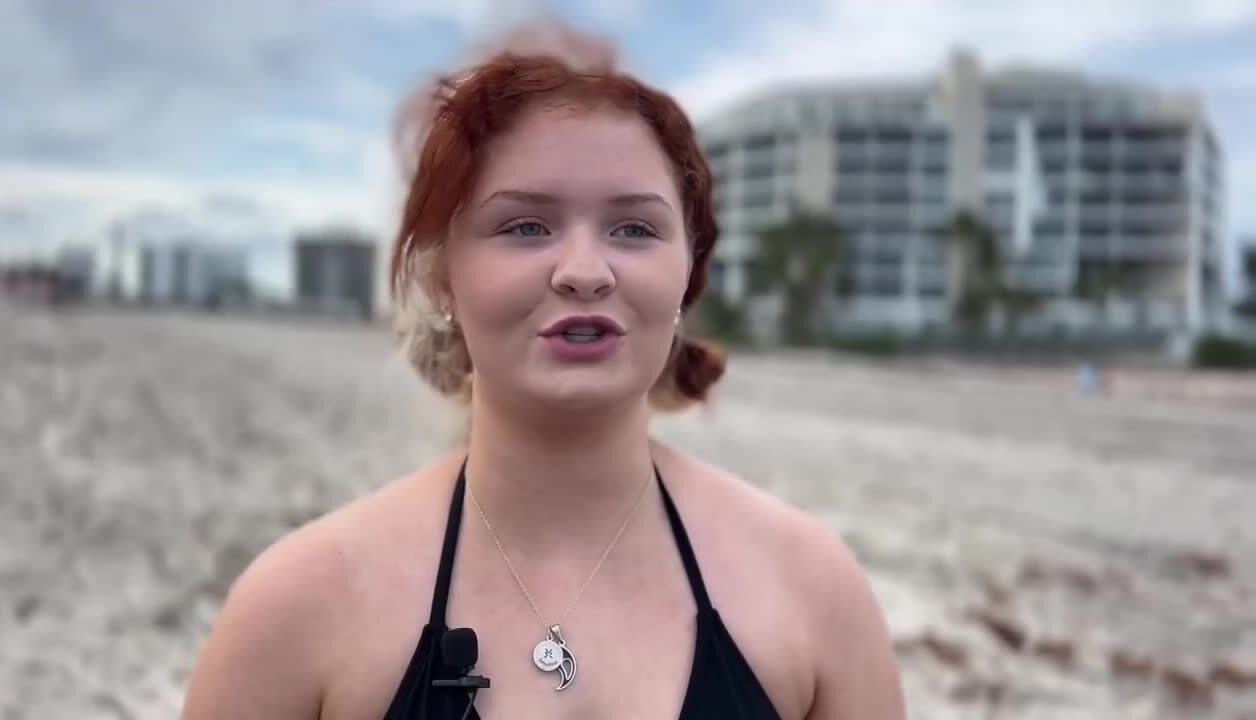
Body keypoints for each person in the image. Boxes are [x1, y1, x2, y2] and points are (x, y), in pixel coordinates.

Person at [182, 50, 906, 720]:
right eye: (526, 227)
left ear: (689, 272)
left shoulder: (810, 589)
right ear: (442, 277)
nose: (584, 270)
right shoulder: (300, 605)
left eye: (633, 229)